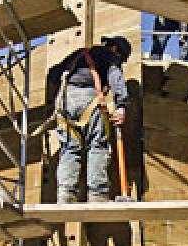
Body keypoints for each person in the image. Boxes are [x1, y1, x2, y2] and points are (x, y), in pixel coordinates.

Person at [46, 36, 132, 203]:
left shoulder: (77, 56)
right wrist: (121, 105)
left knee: (70, 149)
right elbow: (115, 76)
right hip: (89, 100)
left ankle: (66, 194)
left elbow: (52, 74)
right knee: (97, 146)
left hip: (65, 101)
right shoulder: (109, 55)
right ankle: (97, 194)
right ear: (115, 49)